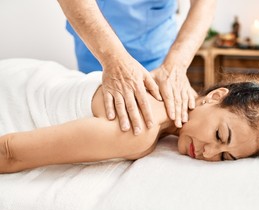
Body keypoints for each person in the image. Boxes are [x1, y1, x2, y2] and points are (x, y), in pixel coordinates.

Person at [0, 59, 259, 173]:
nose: (208, 153)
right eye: (221, 137)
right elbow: (10, 152)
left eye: (226, 158)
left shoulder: (177, 96)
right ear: (216, 97)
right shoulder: (141, 128)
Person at [57, 0, 217, 134]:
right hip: (95, 43)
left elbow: (204, 3)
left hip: (155, 48)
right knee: (89, 104)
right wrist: (113, 59)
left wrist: (175, 66)